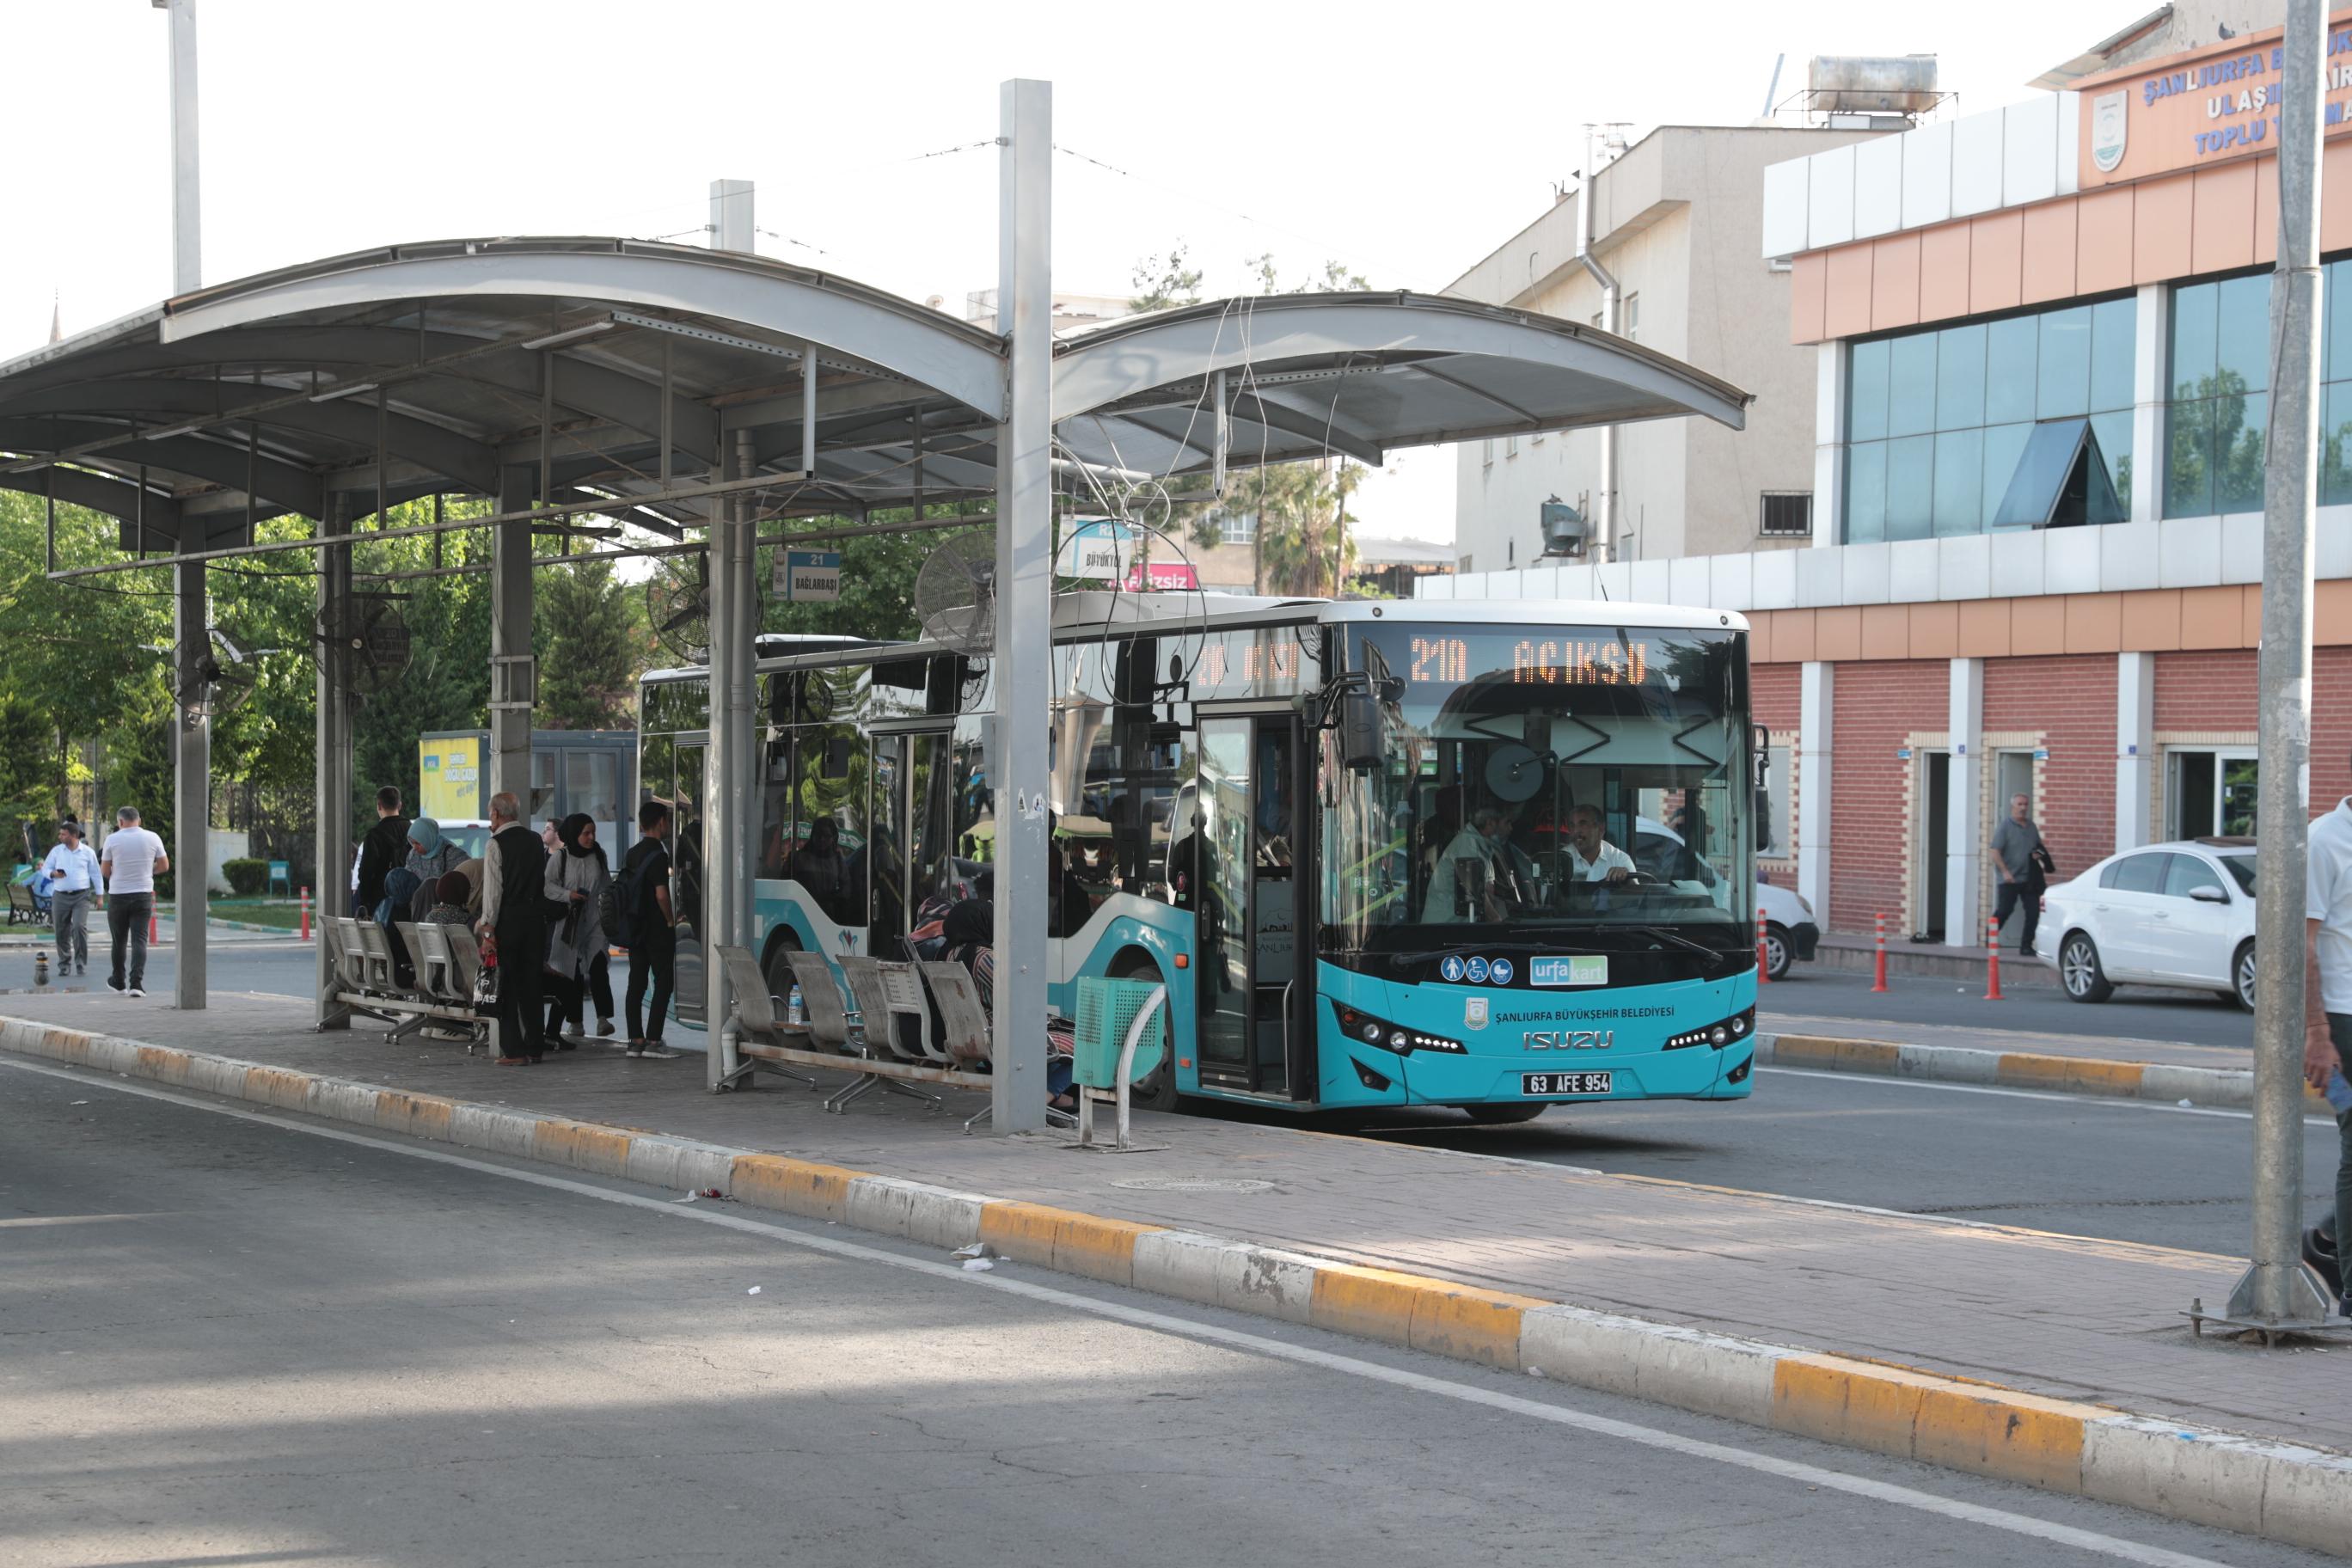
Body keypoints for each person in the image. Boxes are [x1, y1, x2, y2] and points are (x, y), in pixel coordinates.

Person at [2302, 758, 2352, 1319]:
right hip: (2342, 1022)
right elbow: (2302, 945)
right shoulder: (2324, 843)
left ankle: (2323, 1241)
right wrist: (2317, 1033)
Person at [477, 791, 546, 1064]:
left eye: (489, 813)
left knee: (505, 986)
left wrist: (487, 929)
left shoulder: (495, 844)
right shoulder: (535, 840)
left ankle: (514, 1050)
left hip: (509, 923)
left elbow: (494, 893)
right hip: (535, 922)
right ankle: (535, 1047)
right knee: (531, 984)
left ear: (496, 813)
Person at [542, 812, 611, 1049]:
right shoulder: (559, 858)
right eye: (586, 833)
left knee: (598, 962)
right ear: (574, 834)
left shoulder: (598, 855)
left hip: (593, 921)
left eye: (593, 832)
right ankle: (560, 1028)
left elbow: (605, 885)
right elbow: (547, 886)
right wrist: (568, 895)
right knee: (567, 977)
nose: (591, 837)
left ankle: (603, 1018)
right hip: (567, 924)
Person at [619, 799, 680, 1059]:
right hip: (656, 927)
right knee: (664, 981)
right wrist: (670, 920)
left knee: (637, 982)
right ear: (661, 822)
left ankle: (635, 1040)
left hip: (635, 927)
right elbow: (661, 895)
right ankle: (654, 1039)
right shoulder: (659, 853)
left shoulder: (632, 853)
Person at [100, 806, 168, 996]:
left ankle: (119, 982)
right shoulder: (153, 837)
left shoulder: (112, 839)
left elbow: (105, 871)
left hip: (118, 895)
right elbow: (164, 866)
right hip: (143, 895)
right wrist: (148, 871)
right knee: (140, 940)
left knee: (119, 941)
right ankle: (136, 984)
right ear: (140, 820)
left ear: (120, 822)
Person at [1990, 793, 2049, 958]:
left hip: (2029, 879)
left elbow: (2038, 846)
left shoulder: (2031, 826)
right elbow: (1995, 851)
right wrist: (2005, 871)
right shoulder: (2005, 827)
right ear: (2013, 806)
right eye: (2020, 804)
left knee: (2033, 912)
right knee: (2005, 910)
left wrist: (2038, 854)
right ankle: (1991, 936)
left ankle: (2026, 946)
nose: (2023, 808)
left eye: (2025, 804)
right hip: (2009, 878)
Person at [41, 819, 101, 977]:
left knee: (79, 927)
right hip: (60, 895)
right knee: (61, 930)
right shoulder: (57, 851)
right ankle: (64, 964)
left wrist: (100, 896)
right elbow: (45, 869)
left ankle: (81, 963)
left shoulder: (88, 852)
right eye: (60, 834)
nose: (60, 836)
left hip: (81, 896)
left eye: (63, 834)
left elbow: (96, 874)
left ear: (74, 835)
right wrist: (53, 874)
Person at [354, 786, 409, 919]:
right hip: (408, 897)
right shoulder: (412, 830)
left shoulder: (374, 835)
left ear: (379, 805)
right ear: (400, 805)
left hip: (381, 899)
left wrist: (365, 901)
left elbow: (366, 872)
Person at [402, 818, 465, 922]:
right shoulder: (413, 855)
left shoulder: (452, 854)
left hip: (442, 914)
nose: (414, 847)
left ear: (428, 838)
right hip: (418, 907)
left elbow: (464, 882)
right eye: (412, 843)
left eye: (418, 843)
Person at [1562, 804, 1635, 885]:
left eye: (1582, 824)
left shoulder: (1620, 860)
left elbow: (1637, 895)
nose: (1575, 831)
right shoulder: (1561, 860)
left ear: (1601, 829)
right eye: (1572, 825)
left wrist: (1627, 879)